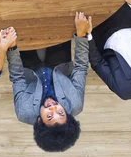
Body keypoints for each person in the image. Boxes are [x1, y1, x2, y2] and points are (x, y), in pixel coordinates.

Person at [7, 13, 91, 153]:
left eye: (49, 116)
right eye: (61, 113)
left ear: (40, 121)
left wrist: (12, 48)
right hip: (58, 63)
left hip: (29, 67)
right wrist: (81, 34)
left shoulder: (24, 112)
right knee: (56, 18)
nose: (53, 108)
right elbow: (81, 67)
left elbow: (17, 77)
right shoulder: (75, 103)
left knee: (22, 21)